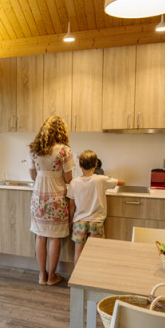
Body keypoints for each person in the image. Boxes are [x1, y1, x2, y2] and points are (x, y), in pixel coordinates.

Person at [28, 116, 75, 286]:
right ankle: (52, 276)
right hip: (57, 200)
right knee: (55, 238)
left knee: (40, 236)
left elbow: (32, 175)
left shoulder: (34, 150)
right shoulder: (65, 151)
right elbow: (68, 179)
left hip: (39, 199)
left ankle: (42, 275)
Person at [67, 150, 125, 264]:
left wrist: (70, 221)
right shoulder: (101, 179)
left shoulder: (74, 182)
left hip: (79, 221)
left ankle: (78, 274)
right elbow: (122, 182)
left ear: (80, 165)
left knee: (78, 251)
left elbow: (71, 204)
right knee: (96, 252)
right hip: (96, 221)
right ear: (96, 164)